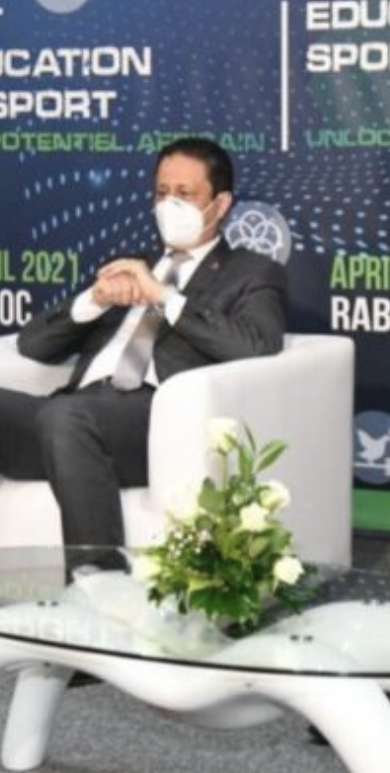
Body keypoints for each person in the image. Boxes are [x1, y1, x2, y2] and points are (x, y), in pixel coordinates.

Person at [0, 137, 287, 556]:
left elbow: (256, 345)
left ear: (221, 204)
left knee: (68, 416)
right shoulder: (131, 263)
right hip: (72, 413)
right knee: (63, 415)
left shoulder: (252, 272)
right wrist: (94, 301)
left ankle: (97, 579)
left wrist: (164, 297)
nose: (170, 205)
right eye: (162, 193)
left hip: (151, 422)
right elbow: (33, 344)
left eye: (185, 194)